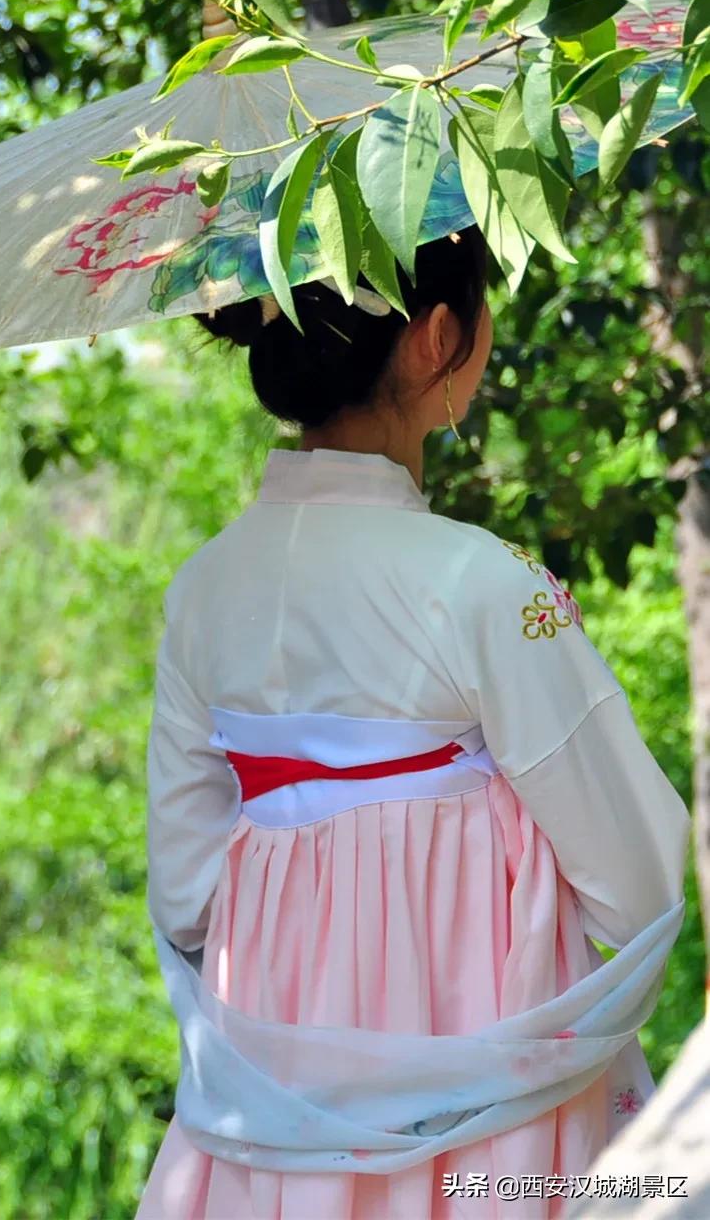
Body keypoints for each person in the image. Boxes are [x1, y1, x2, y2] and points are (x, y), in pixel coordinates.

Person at [134, 227, 690, 1220]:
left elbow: (185, 896)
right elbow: (636, 883)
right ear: (437, 337)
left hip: (272, 1122)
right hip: (492, 1128)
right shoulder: (479, 585)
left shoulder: (200, 594)